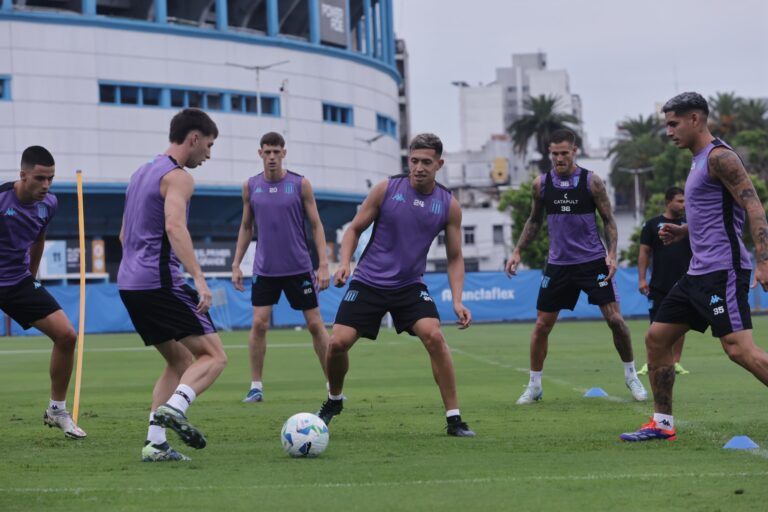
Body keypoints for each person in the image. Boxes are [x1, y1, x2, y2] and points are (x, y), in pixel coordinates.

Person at [621, 92, 768, 442]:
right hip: (697, 273)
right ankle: (662, 424)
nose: (669, 131)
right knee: (657, 339)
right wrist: (685, 230)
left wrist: (764, 261)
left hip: (723, 271)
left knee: (738, 350)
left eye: (673, 124)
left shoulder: (720, 158)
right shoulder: (697, 159)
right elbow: (716, 212)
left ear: (695, 119)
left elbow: (754, 208)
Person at [316, 133, 476, 437]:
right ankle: (334, 400)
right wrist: (345, 263)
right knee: (336, 344)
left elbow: (455, 257)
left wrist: (457, 300)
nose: (418, 167)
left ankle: (454, 419)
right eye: (414, 161)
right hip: (368, 282)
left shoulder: (448, 205)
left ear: (439, 164)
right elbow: (353, 230)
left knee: (434, 337)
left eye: (426, 162)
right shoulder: (386, 189)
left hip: (409, 286)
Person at [505, 128, 648, 405]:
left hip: (593, 261)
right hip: (558, 265)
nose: (559, 158)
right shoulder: (541, 185)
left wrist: (613, 254)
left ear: (574, 152)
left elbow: (608, 219)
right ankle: (534, 385)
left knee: (616, 321)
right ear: (550, 154)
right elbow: (534, 221)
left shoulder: (591, 182)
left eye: (564, 153)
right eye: (554, 153)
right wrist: (518, 250)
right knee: (541, 326)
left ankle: (631, 375)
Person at [118, 108, 228, 461]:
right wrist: (198, 277)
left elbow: (123, 235)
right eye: (208, 146)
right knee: (214, 356)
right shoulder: (178, 176)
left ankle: (155, 442)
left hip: (129, 284)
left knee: (179, 360)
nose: (209, 155)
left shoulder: (140, 173)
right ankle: (176, 408)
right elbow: (175, 227)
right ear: (193, 138)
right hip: (159, 282)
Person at [231, 132, 331, 402]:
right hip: (265, 270)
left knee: (315, 325)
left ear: (284, 153)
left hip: (299, 268)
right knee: (259, 325)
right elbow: (246, 226)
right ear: (260, 153)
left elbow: (316, 225)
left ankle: (333, 386)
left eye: (276, 152)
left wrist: (323, 264)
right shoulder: (250, 186)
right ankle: (256, 386)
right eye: (267, 152)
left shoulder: (300, 184)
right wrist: (236, 264)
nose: (272, 157)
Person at [0, 146, 86, 440]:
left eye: (50, 178)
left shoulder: (49, 203)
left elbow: (39, 237)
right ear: (23, 175)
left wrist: (32, 275)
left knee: (67, 335)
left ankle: (57, 409)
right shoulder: (1, 200)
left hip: (16, 283)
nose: (46, 185)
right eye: (39, 178)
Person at [637, 187, 692, 376]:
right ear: (668, 202)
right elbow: (644, 251)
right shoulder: (652, 224)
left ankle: (676, 362)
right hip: (659, 283)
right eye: (679, 201)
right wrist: (642, 278)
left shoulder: (689, 224)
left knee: (680, 322)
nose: (683, 205)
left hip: (686, 281)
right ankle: (652, 361)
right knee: (656, 324)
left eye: (685, 201)